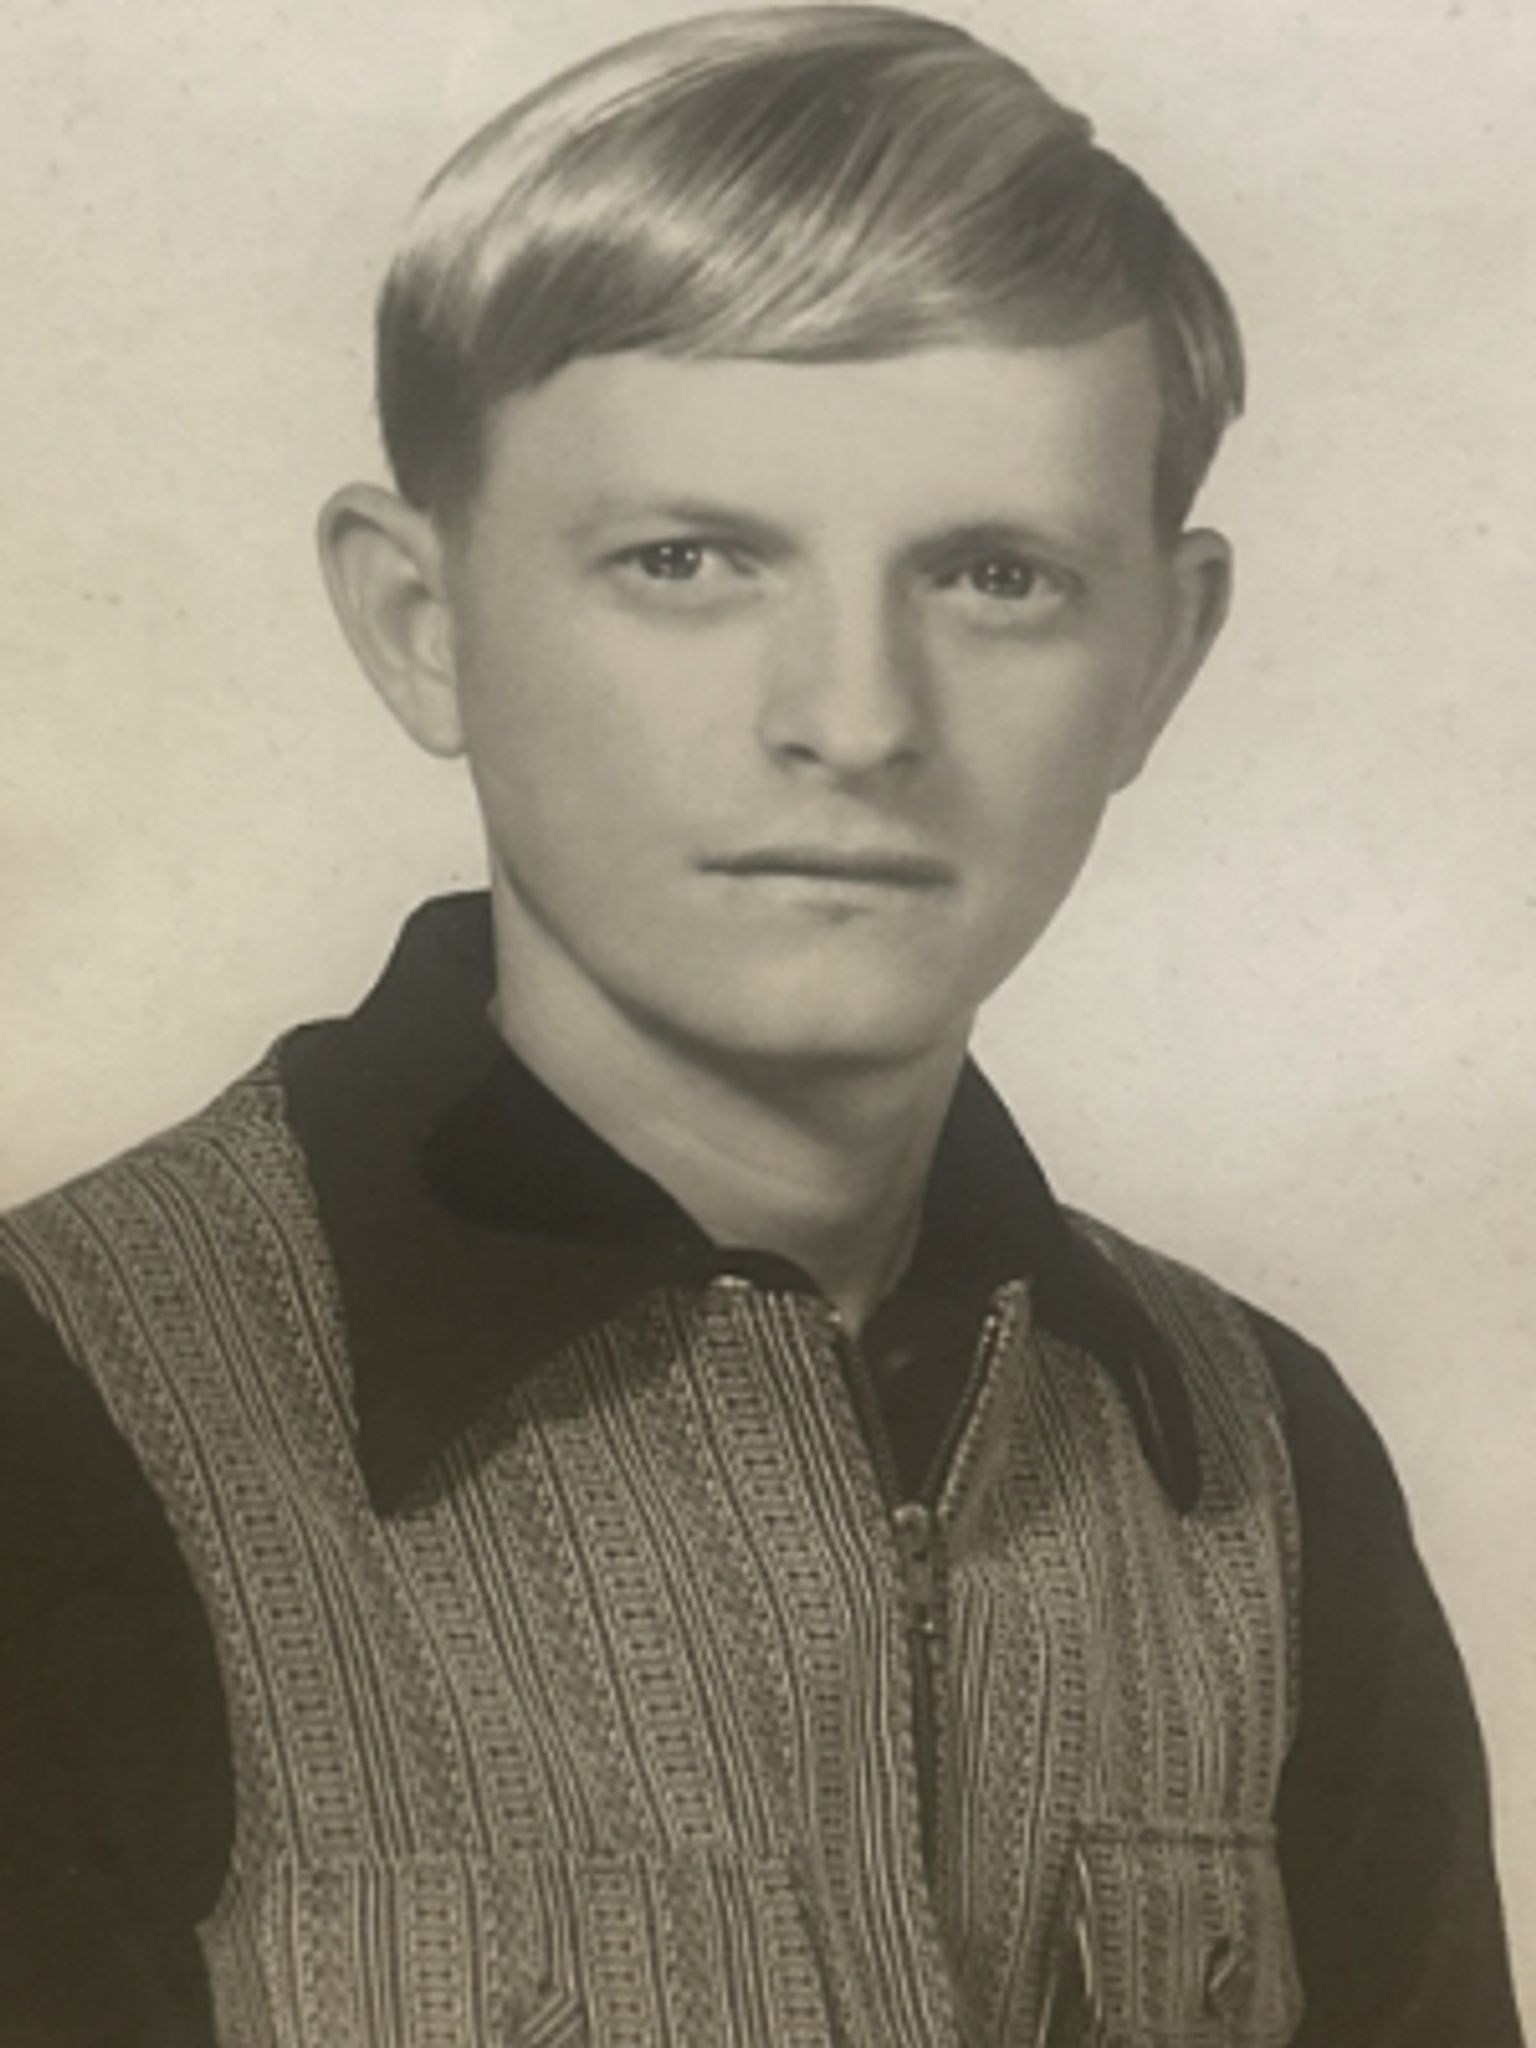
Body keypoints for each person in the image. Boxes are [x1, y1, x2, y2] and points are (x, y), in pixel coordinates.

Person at [0, 7, 1522, 2043]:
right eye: (689, 560)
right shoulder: (53, 1416)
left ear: (1160, 657)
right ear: (420, 622)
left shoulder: (1259, 1465)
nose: (856, 721)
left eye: (996, 576)